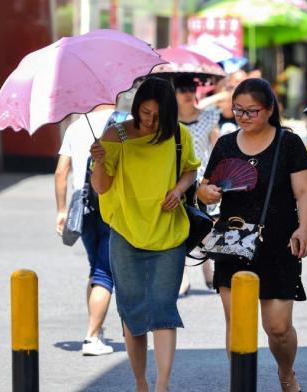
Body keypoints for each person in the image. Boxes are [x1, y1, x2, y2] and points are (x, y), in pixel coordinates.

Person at [197, 78, 307, 392]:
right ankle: (241, 385)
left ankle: (286, 373)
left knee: (277, 327)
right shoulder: (224, 144)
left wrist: (303, 227)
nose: (244, 117)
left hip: (278, 242)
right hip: (232, 241)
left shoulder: (287, 143)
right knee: (237, 324)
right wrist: (206, 193)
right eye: (238, 110)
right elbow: (205, 187)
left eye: (252, 111)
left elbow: (304, 192)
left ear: (270, 109)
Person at [90, 77, 200, 392]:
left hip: (168, 233)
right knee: (132, 311)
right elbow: (101, 187)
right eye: (144, 113)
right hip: (125, 233)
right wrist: (99, 161)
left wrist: (179, 190)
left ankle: (163, 384)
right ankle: (141, 382)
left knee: (164, 307)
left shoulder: (179, 136)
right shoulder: (116, 135)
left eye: (156, 115)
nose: (149, 121)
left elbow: (190, 169)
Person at [55, 105, 117, 356]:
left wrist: (61, 210)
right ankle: (92, 337)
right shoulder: (124, 123)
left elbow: (61, 172)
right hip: (112, 202)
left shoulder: (75, 127)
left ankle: (97, 329)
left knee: (96, 268)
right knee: (105, 272)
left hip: (82, 205)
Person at [174, 74, 220, 294]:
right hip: (177, 180)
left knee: (205, 224)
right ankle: (182, 277)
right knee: (179, 226)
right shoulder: (169, 121)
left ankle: (208, 271)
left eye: (191, 88)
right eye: (182, 89)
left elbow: (218, 149)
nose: (187, 93)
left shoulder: (209, 117)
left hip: (203, 179)